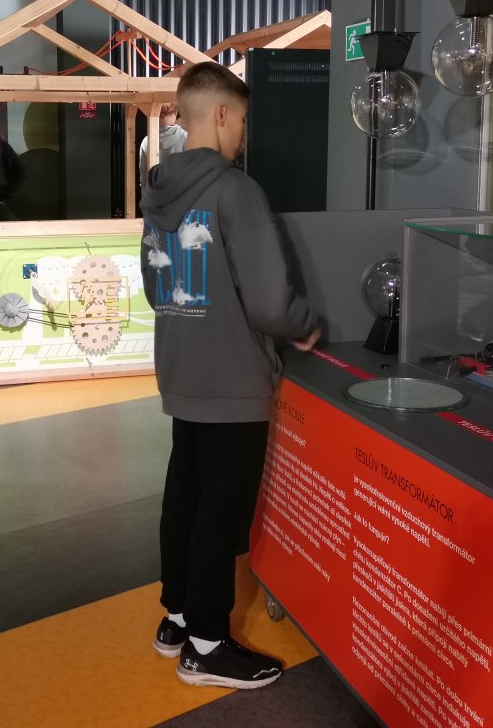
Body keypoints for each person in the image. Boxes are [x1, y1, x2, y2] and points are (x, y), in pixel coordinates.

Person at [139, 62, 320, 690]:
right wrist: (305, 325)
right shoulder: (236, 191)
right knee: (221, 511)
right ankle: (208, 646)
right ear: (220, 114)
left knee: (186, 496)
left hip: (182, 370)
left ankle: (177, 618)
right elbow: (270, 302)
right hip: (232, 377)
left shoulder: (158, 192)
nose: (243, 134)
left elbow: (154, 287)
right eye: (241, 120)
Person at [139, 101, 188, 190]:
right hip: (182, 196)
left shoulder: (146, 141)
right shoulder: (186, 138)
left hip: (154, 196)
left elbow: (144, 178)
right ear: (176, 112)